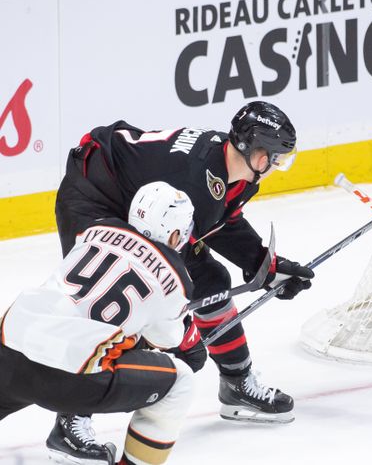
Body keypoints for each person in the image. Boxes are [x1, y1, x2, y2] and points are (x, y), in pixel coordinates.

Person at [54, 100, 314, 434]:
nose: (277, 165)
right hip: (95, 195)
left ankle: (237, 384)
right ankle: (72, 416)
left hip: (142, 201)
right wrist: (180, 328)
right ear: (259, 153)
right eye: (277, 158)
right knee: (110, 303)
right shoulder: (195, 183)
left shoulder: (233, 173)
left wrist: (268, 267)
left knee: (211, 278)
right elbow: (171, 273)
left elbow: (223, 223)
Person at [0, 182, 197, 465]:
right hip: (71, 377)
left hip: (10, 346)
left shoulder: (96, 229)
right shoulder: (176, 277)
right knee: (181, 381)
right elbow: (166, 340)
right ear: (175, 232)